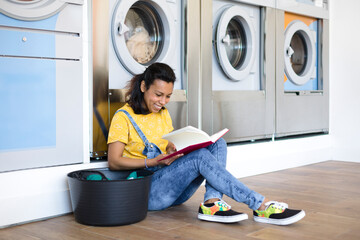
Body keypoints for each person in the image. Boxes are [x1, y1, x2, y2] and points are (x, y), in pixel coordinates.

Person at [107, 62, 305, 225]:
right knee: (200, 157)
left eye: (168, 96)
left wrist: (173, 148)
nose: (163, 101)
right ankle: (260, 205)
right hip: (148, 193)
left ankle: (211, 203)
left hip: (174, 190)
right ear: (143, 87)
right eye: (158, 95)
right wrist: (153, 162)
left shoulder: (162, 114)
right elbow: (114, 162)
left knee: (218, 144)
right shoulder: (123, 117)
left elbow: (166, 144)